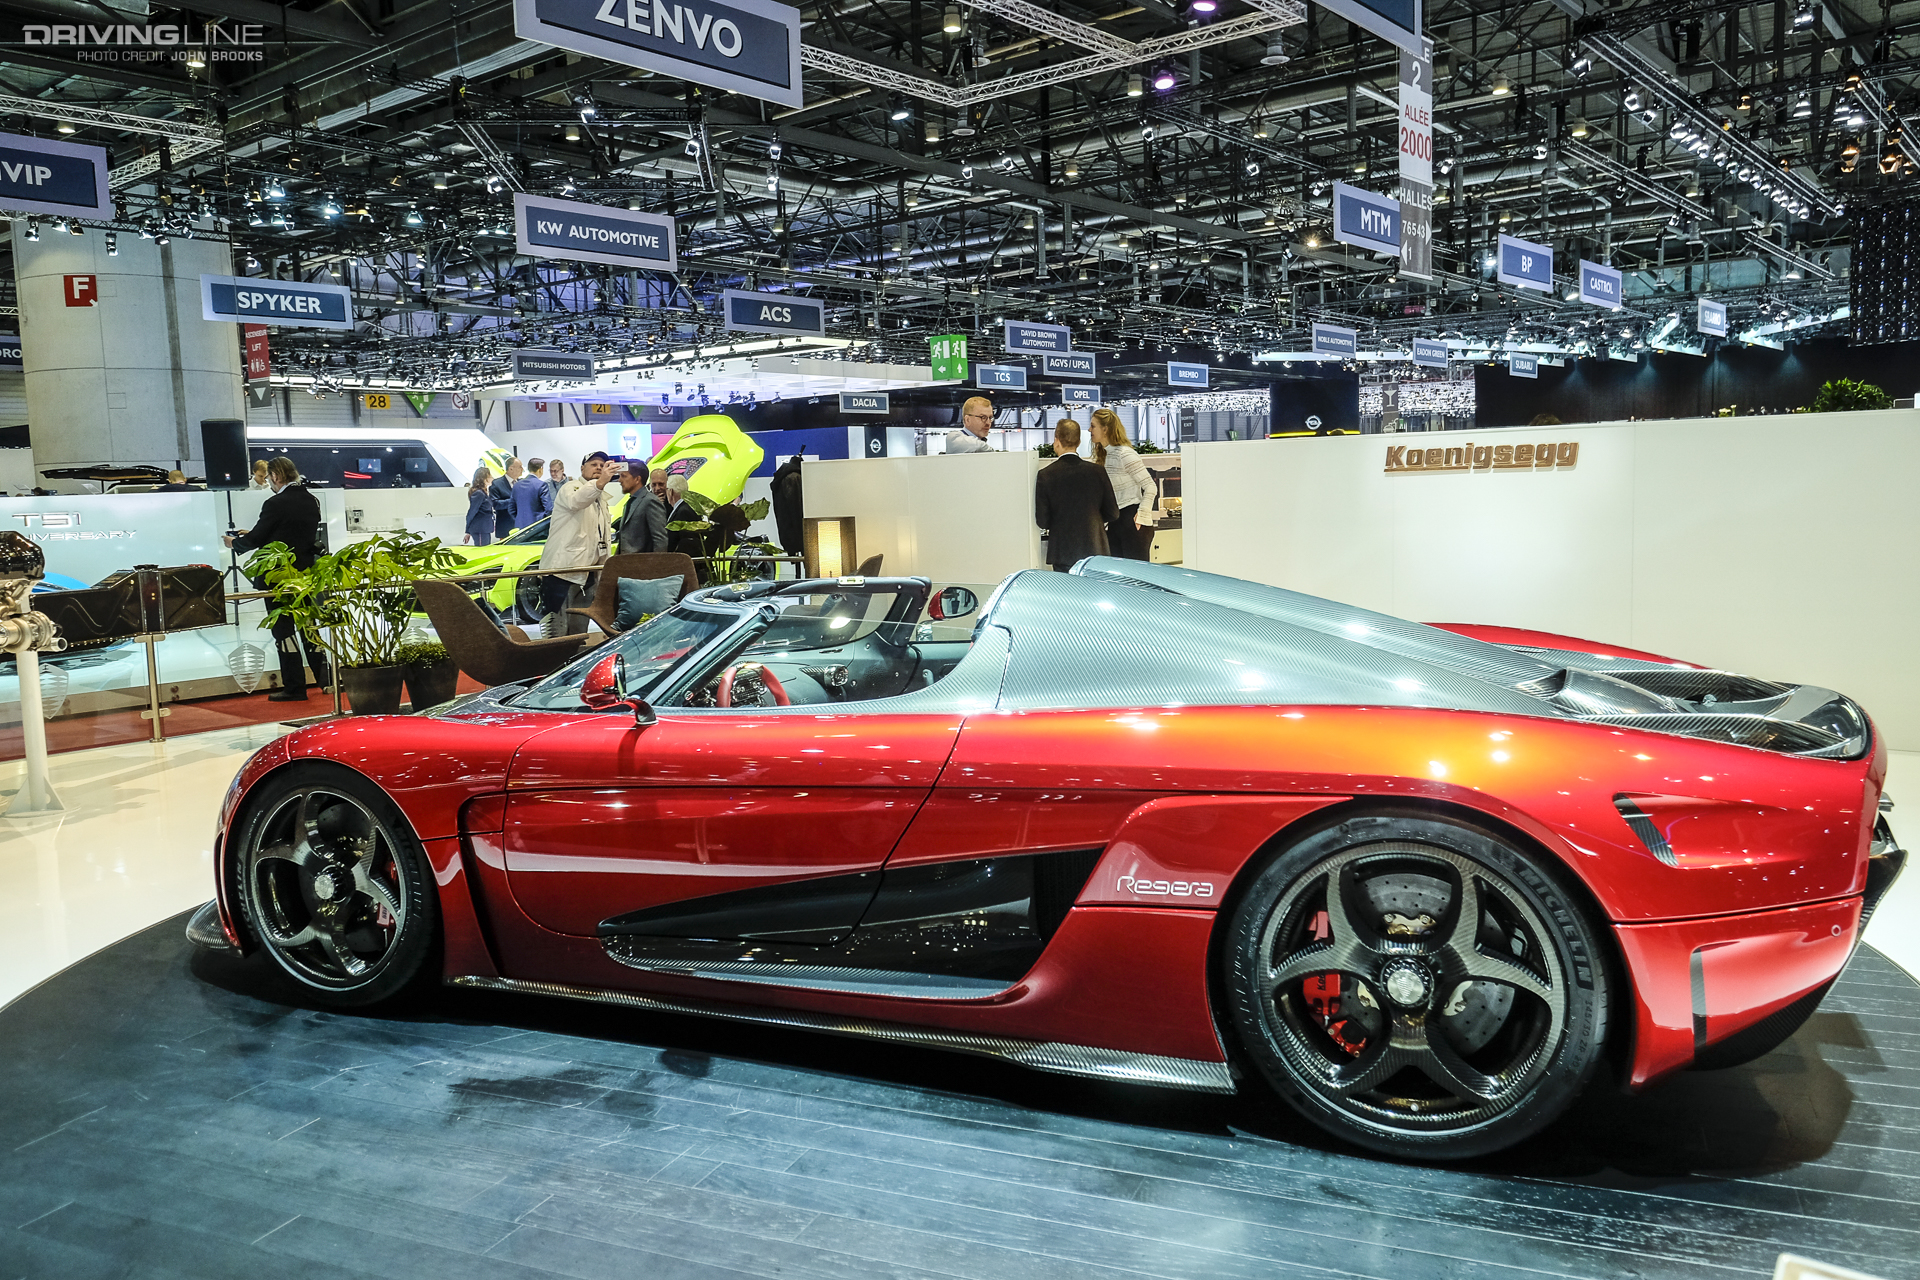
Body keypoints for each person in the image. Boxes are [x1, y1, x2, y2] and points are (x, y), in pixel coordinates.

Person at [225, 456, 333, 702]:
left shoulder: (274, 503)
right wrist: (259, 534)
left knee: (284, 631)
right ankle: (326, 680)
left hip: (278, 575)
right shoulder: (311, 500)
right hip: (305, 574)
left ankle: (294, 688)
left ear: (275, 476)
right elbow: (291, 533)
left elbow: (257, 539)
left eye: (269, 478)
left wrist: (235, 543)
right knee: (309, 627)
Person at [537, 451, 615, 636]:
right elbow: (577, 501)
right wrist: (600, 482)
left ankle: (576, 653)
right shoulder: (570, 487)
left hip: (588, 574)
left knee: (579, 631)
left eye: (602, 465)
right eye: (594, 464)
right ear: (582, 468)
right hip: (562, 572)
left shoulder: (601, 498)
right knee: (556, 633)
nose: (598, 468)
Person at [1033, 418, 1116, 571]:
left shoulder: (1046, 475)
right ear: (1079, 442)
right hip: (1095, 548)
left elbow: (1042, 521)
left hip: (1063, 551)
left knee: (1066, 587)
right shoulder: (1097, 471)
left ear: (1056, 440)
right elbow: (1112, 513)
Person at [1089, 408, 1155, 562]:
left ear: (1105, 429)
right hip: (1116, 521)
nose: (1089, 430)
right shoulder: (1104, 455)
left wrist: (1142, 515)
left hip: (1132, 521)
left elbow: (1150, 486)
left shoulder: (1125, 454)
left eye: (1093, 426)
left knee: (1136, 574)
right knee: (1118, 573)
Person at [613, 460, 668, 555]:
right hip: (626, 561)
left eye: (624, 476)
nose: (619, 480)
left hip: (643, 562)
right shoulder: (630, 502)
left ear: (637, 479)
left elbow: (660, 539)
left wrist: (657, 563)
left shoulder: (650, 501)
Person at [661, 473, 708, 581]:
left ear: (670, 491)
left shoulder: (683, 511)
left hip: (684, 569)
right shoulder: (686, 508)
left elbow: (687, 544)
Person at [771, 453, 804, 554]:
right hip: (797, 530)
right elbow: (797, 507)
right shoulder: (794, 477)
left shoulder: (781, 477)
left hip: (786, 529)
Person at [512, 456, 552, 530]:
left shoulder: (517, 485)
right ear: (540, 469)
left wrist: (520, 519)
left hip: (520, 528)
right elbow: (549, 509)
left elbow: (511, 509)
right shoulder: (541, 485)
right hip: (537, 528)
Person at [463, 466, 496, 546]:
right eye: (490, 476)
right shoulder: (479, 493)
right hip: (480, 528)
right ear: (484, 478)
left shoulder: (483, 492)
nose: (492, 478)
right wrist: (468, 531)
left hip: (484, 528)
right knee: (482, 549)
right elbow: (472, 511)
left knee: (485, 548)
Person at [490, 457, 521, 538]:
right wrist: (513, 501)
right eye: (520, 467)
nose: (522, 469)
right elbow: (496, 504)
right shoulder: (497, 483)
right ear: (511, 469)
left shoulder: (522, 483)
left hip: (522, 527)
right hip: (506, 528)